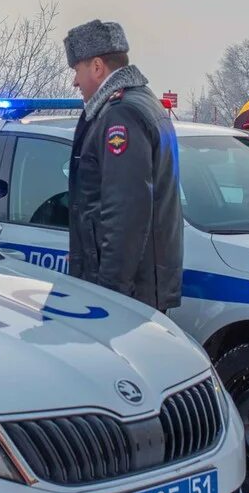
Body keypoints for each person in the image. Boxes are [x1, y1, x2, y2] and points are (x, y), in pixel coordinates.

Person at [64, 20, 183, 313]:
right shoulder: (141, 103)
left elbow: (125, 212)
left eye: (76, 71)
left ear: (96, 66)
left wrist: (110, 294)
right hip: (139, 286)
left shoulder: (121, 116)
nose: (75, 82)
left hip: (126, 292)